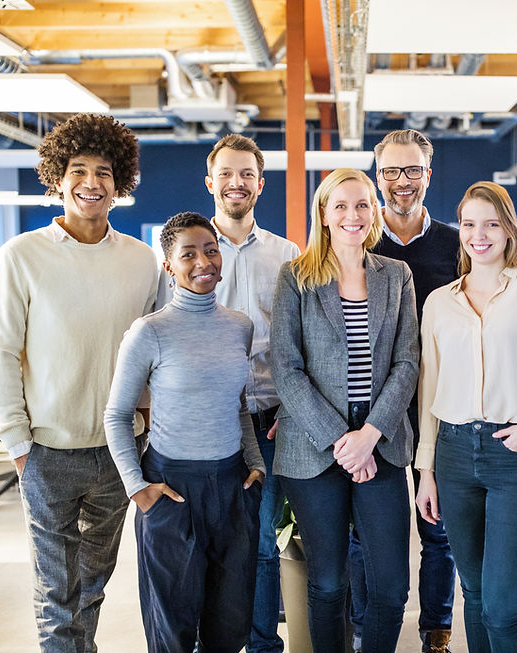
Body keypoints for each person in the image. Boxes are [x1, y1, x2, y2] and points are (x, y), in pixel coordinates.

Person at [0, 113, 157, 652]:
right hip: (46, 452)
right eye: (78, 170)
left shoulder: (140, 260)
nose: (91, 182)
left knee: (93, 585)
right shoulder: (22, 256)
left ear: (119, 182)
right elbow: (1, 351)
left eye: (104, 171)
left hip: (116, 452)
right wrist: (17, 444)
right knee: (57, 592)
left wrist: (145, 419)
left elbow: (152, 350)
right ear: (57, 177)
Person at [415, 181, 517, 652]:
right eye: (468, 224)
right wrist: (426, 470)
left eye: (491, 223)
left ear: (509, 229)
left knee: (504, 608)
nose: (478, 235)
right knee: (475, 593)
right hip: (455, 454)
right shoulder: (439, 301)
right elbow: (429, 388)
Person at [156, 134, 299, 653]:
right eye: (226, 173)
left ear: (260, 184)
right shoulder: (183, 250)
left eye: (246, 174)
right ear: (209, 182)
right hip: (204, 424)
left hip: (268, 418)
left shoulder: (286, 254)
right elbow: (160, 331)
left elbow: (295, 340)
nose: (236, 183)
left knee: (258, 546)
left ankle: (262, 646)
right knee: (204, 548)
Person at [270, 168, 419, 653]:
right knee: (328, 584)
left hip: (381, 447)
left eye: (362, 204)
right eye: (341, 206)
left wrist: (370, 434)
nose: (352, 215)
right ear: (324, 214)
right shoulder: (296, 277)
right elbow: (286, 368)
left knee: (393, 587)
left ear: (374, 212)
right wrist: (342, 441)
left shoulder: (396, 275)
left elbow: (407, 360)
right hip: (315, 452)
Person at [104, 212, 266, 653]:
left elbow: (238, 406)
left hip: (231, 486)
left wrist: (254, 464)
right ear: (169, 266)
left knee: (230, 626)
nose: (203, 262)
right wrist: (137, 488)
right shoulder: (149, 332)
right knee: (172, 628)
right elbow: (116, 416)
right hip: (171, 487)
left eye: (210, 250)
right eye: (188, 254)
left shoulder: (239, 326)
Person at [358, 128, 460, 653]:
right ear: (378, 178)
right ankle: (366, 630)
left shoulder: (457, 243)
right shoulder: (355, 240)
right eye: (392, 172)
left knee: (437, 525)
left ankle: (436, 632)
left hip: (438, 401)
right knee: (368, 527)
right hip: (370, 406)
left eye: (412, 170)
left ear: (428, 174)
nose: (402, 182)